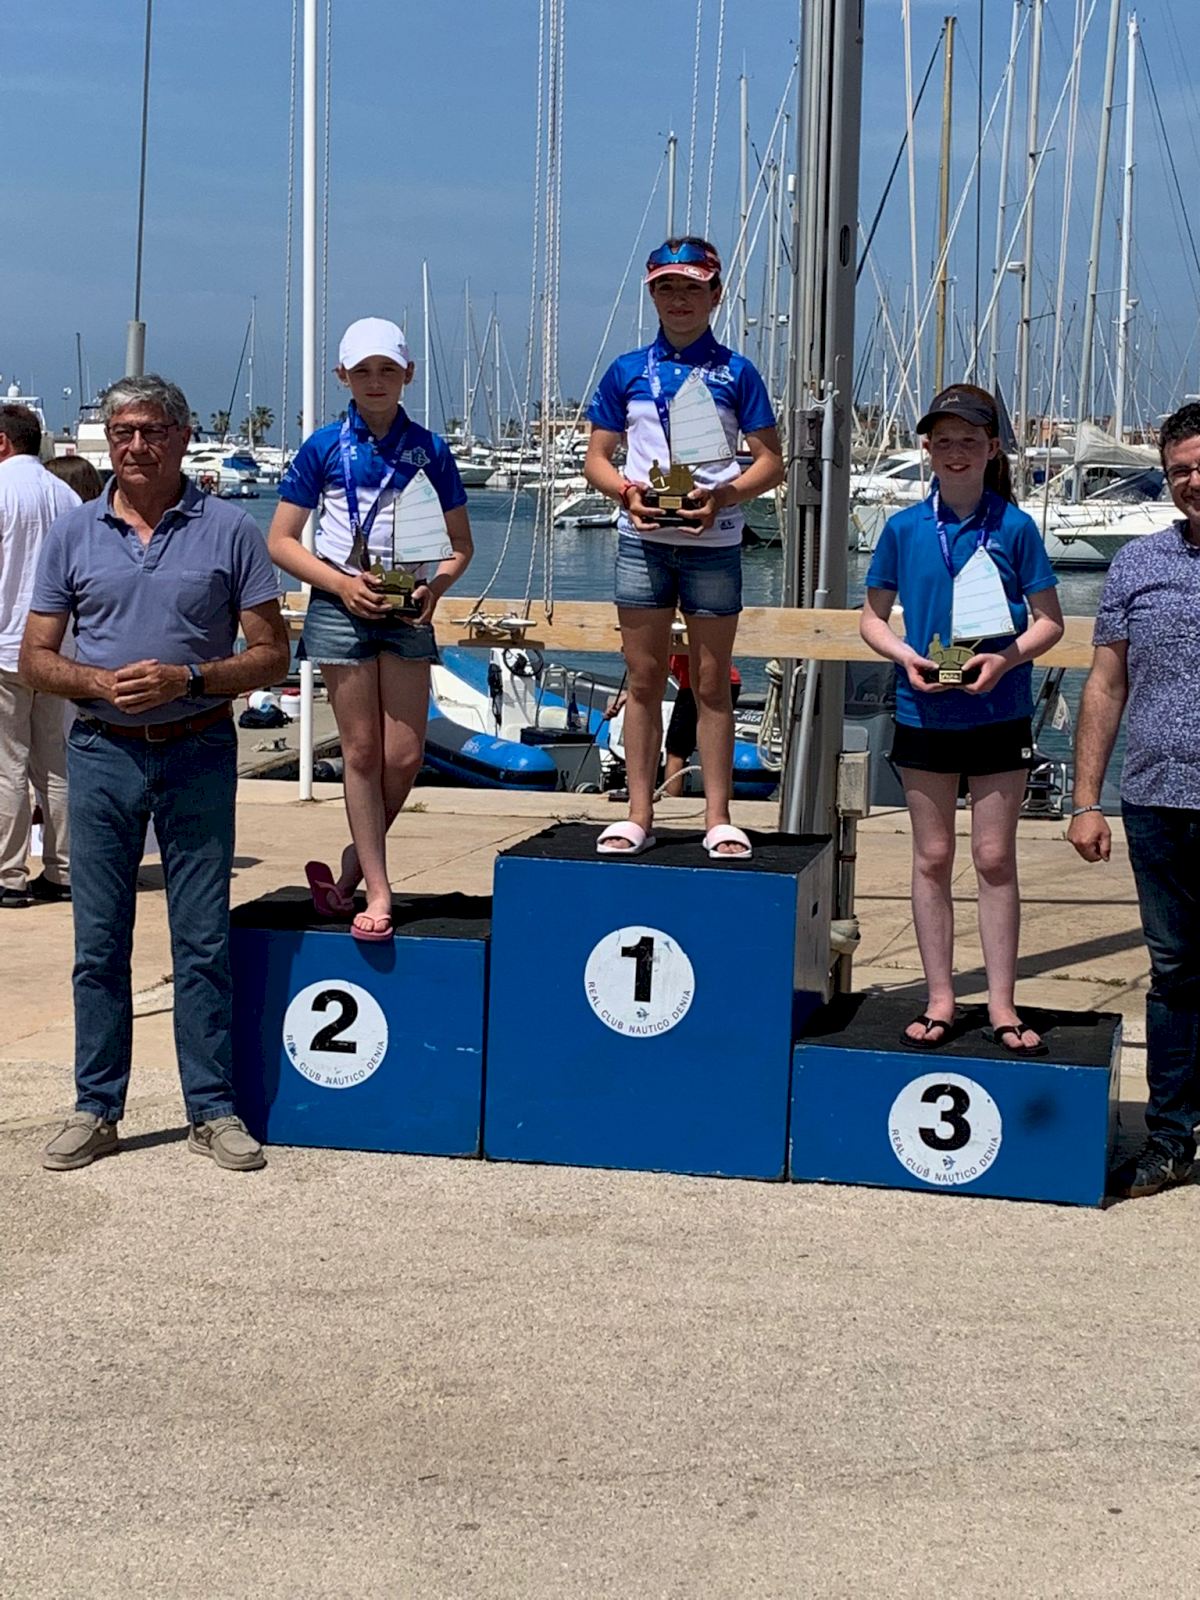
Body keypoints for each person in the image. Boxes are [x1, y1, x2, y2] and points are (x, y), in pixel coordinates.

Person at [20, 373, 290, 1172]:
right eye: (122, 432)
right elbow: (35, 658)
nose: (136, 446)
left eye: (151, 431)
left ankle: (211, 1110)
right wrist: (97, 683)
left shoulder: (231, 530)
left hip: (198, 748)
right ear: (108, 441)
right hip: (100, 751)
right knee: (98, 944)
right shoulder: (72, 532)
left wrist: (192, 678)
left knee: (201, 941)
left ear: (181, 437)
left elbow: (273, 654)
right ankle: (96, 1108)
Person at [859, 383, 1064, 1053]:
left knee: (994, 857)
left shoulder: (1015, 527)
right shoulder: (903, 528)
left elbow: (1049, 623)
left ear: (992, 448)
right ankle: (941, 997)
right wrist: (903, 655)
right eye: (943, 441)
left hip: (999, 709)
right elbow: (870, 618)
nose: (956, 452)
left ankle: (1002, 1003)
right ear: (927, 448)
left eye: (969, 441)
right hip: (923, 707)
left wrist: (1005, 660)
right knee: (933, 856)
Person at [268, 317, 473, 939]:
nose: (375, 381)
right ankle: (379, 891)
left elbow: (460, 546)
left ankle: (358, 858)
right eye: (362, 371)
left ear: (408, 373)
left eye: (387, 369)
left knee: (405, 755)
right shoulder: (323, 447)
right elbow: (281, 540)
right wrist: (340, 586)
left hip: (406, 607)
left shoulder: (430, 449)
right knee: (360, 751)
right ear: (343, 376)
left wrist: (435, 588)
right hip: (340, 607)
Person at [584, 236, 783, 859]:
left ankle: (718, 817)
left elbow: (770, 462)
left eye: (691, 288)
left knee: (711, 682)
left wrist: (722, 497)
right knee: (644, 679)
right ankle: (638, 814)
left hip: (714, 543)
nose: (678, 299)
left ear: (715, 295)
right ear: (652, 296)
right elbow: (597, 457)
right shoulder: (626, 371)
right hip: (641, 542)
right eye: (666, 288)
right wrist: (626, 493)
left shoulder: (738, 373)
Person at [1068, 400, 1200, 1198]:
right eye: (1180, 469)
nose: (1193, 481)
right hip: (1156, 801)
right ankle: (1173, 1137)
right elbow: (1106, 684)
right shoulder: (1136, 564)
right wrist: (1086, 799)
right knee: (1176, 972)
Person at [0, 404, 80, 909]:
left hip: (5, 643)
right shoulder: (67, 496)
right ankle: (65, 868)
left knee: (6, 766)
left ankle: (8, 874)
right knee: (56, 764)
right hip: (58, 649)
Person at [660, 652, 742, 798]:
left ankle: (672, 801)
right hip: (729, 681)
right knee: (718, 749)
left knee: (676, 751)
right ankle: (724, 802)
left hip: (695, 683)